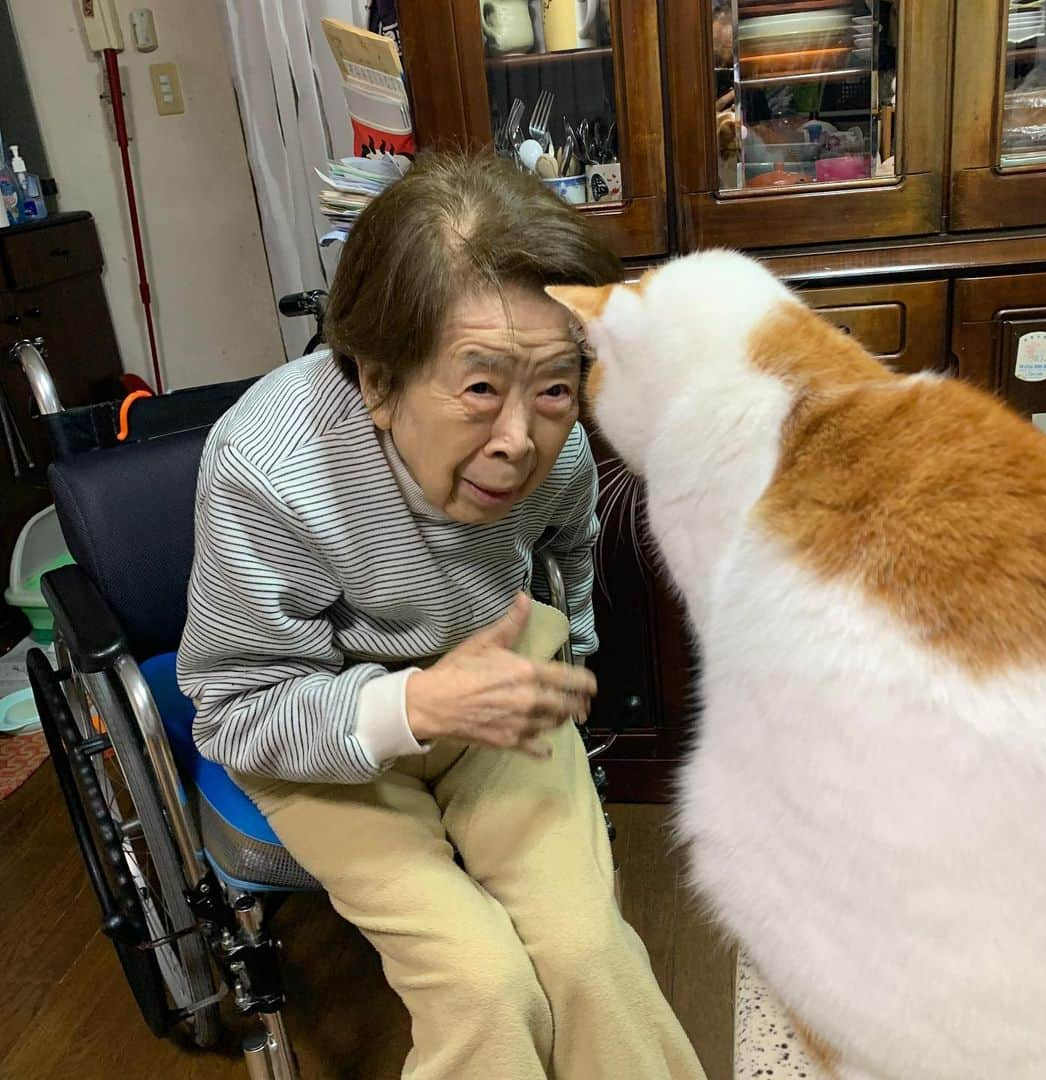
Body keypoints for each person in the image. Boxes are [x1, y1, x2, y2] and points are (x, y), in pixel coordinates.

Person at [178, 151, 706, 1080]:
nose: (520, 438)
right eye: (478, 388)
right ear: (377, 382)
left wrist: (567, 651)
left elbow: (570, 548)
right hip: (320, 727)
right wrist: (414, 707)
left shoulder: (559, 451)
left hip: (495, 693)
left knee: (591, 955)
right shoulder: (266, 470)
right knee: (480, 982)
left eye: (554, 386)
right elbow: (233, 711)